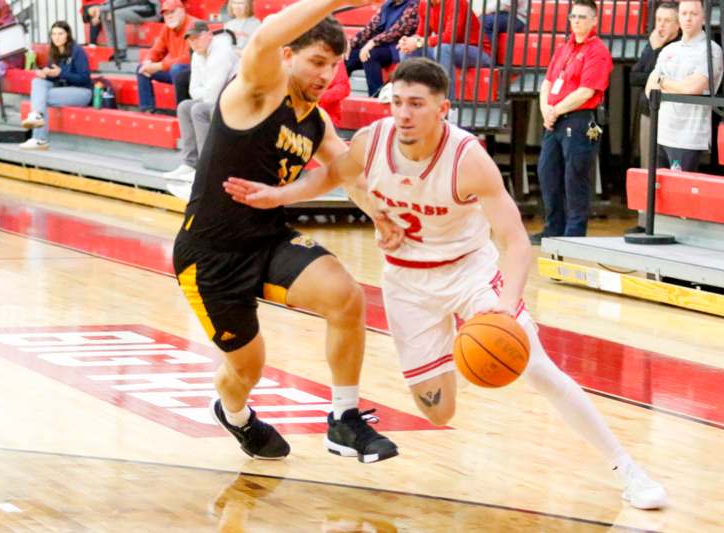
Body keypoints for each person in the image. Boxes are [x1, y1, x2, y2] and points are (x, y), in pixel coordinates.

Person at [224, 57, 669, 511]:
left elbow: (516, 241)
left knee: (538, 367)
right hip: (407, 284)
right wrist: (279, 195)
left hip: (469, 275)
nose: (403, 113)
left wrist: (506, 307)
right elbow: (332, 175)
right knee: (439, 412)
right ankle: (462, 348)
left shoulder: (467, 158)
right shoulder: (372, 141)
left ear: (444, 109)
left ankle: (628, 469)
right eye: (397, 102)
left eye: (416, 104)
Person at [172, 0, 399, 463]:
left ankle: (343, 419)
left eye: (334, 66)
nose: (326, 75)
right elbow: (264, 36)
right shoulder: (257, 90)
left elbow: (347, 171)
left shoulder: (316, 121)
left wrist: (382, 218)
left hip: (267, 238)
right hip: (210, 254)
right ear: (288, 56)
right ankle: (235, 415)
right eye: (317, 61)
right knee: (247, 368)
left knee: (345, 294)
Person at [529, 0, 612, 245]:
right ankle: (553, 227)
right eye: (574, 16)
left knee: (575, 176)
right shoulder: (564, 48)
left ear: (595, 20)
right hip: (554, 120)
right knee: (547, 173)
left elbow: (586, 91)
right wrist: (546, 109)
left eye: (583, 17)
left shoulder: (597, 51)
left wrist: (554, 110)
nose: (577, 21)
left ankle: (574, 234)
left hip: (578, 120)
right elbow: (546, 83)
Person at [645, 0, 723, 172]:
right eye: (684, 13)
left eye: (693, 14)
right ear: (678, 17)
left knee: (680, 195)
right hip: (661, 134)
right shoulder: (668, 50)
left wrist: (663, 82)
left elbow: (692, 89)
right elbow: (649, 89)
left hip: (688, 138)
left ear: (704, 17)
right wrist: (676, 85)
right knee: (658, 194)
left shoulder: (711, 50)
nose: (688, 18)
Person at [164, 22, 240, 186]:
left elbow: (212, 95)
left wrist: (203, 91)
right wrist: (204, 91)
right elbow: (193, 90)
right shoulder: (197, 54)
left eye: (197, 38)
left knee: (199, 110)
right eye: (190, 40)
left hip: (235, 101)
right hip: (217, 99)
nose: (194, 43)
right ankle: (189, 163)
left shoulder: (222, 52)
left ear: (209, 35)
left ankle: (206, 167)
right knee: (184, 106)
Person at [627, 2, 680, 234]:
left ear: (678, 25)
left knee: (671, 170)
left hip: (673, 117)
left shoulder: (680, 47)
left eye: (667, 21)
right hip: (649, 114)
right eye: (658, 20)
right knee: (647, 168)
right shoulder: (652, 45)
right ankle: (644, 221)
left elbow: (653, 78)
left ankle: (671, 222)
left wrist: (655, 54)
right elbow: (635, 77)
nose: (661, 25)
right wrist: (652, 49)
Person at [19, 21, 93, 150]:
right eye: (53, 34)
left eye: (60, 33)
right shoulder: (54, 52)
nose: (56, 37)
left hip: (82, 92)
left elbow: (84, 78)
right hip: (63, 90)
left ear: (67, 35)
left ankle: (39, 136)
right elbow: (54, 76)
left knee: (40, 98)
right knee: (37, 82)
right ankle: (37, 122)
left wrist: (61, 73)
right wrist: (45, 74)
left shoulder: (77, 51)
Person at [396, 0, 491, 99]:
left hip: (479, 52)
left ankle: (448, 104)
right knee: (407, 50)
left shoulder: (456, 2)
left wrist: (418, 42)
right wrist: (408, 41)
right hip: (448, 49)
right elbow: (421, 34)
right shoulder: (424, 4)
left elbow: (450, 36)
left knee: (442, 50)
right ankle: (414, 98)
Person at [345, 0, 418, 97]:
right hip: (381, 45)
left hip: (398, 48)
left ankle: (375, 96)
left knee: (371, 55)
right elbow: (370, 27)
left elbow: (397, 31)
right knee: (348, 56)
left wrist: (373, 42)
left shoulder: (414, 5)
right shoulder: (387, 5)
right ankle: (339, 93)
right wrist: (352, 43)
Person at [137, 0, 194, 112]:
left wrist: (160, 66)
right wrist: (148, 61)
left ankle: (182, 112)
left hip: (194, 72)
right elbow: (157, 50)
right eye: (166, 14)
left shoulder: (193, 25)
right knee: (142, 68)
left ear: (182, 10)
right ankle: (147, 109)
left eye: (172, 12)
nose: (169, 16)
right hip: (174, 70)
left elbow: (188, 58)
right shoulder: (167, 28)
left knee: (177, 69)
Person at [319, 60, 350, 127]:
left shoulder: (335, 59)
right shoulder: (297, 59)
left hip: (326, 120)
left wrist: (318, 96)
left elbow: (343, 87)